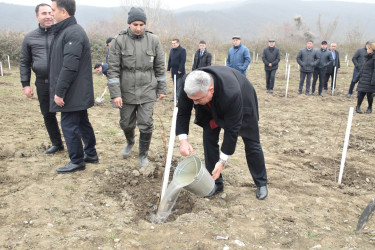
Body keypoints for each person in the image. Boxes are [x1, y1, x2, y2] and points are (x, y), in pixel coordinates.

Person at [176, 66, 268, 200]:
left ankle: (261, 182)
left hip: (242, 102)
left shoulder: (232, 93)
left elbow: (232, 131)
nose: (194, 103)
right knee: (209, 138)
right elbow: (183, 112)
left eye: (197, 100)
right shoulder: (188, 83)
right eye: (192, 100)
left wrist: (222, 161)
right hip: (209, 106)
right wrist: (183, 141)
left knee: (251, 142)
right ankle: (215, 183)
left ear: (210, 89)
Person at [107, 7, 166, 167]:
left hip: (147, 88)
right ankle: (130, 141)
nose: (138, 28)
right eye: (135, 24)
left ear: (145, 24)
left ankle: (143, 155)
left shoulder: (154, 40)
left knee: (146, 123)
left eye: (141, 24)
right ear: (129, 24)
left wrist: (161, 89)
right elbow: (113, 69)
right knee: (126, 123)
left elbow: (160, 66)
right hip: (126, 90)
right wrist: (115, 94)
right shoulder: (119, 41)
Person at [50, 0, 98, 173]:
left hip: (72, 91)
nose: (51, 14)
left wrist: (59, 91)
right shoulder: (68, 31)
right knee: (83, 123)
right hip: (76, 90)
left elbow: (69, 66)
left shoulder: (72, 33)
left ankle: (76, 160)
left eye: (53, 10)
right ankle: (91, 154)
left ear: (63, 12)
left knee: (69, 125)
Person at [20, 3, 64, 155]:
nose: (48, 16)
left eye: (50, 12)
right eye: (44, 13)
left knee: (68, 113)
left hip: (62, 82)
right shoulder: (29, 38)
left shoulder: (62, 33)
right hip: (42, 82)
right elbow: (24, 62)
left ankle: (74, 143)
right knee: (48, 114)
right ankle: (57, 144)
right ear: (37, 16)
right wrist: (25, 84)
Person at [354, 41, 375, 114]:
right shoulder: (367, 57)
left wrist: (373, 81)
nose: (367, 50)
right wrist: (357, 78)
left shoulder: (374, 58)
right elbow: (363, 68)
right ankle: (358, 107)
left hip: (370, 80)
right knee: (361, 93)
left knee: (369, 94)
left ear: (371, 49)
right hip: (363, 78)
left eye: (368, 48)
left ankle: (369, 108)